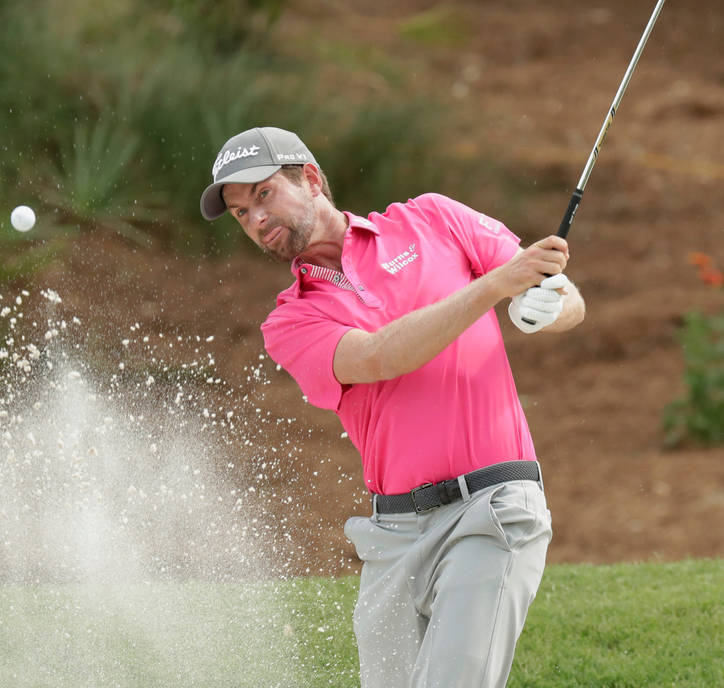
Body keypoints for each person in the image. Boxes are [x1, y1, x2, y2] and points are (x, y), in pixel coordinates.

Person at [199, 126, 585, 687]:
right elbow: (379, 356)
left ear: (311, 179)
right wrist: (494, 288)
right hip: (394, 535)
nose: (256, 218)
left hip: (492, 507)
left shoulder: (433, 219)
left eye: (263, 194)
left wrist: (548, 305)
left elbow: (556, 291)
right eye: (240, 213)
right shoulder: (290, 320)